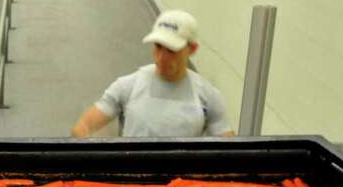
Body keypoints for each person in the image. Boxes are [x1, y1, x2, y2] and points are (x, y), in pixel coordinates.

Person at [72, 11, 234, 139]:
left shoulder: (208, 97)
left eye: (171, 50)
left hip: (181, 181)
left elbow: (229, 154)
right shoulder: (127, 87)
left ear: (192, 49)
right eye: (158, 47)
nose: (162, 58)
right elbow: (83, 128)